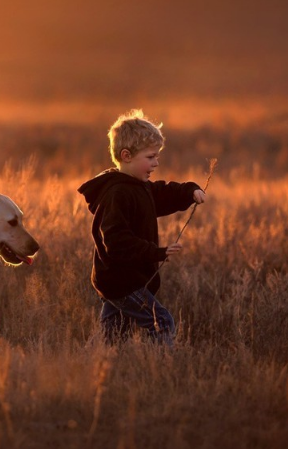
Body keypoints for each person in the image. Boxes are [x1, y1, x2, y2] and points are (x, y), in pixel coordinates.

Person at [78, 110, 206, 346]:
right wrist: (155, 252)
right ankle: (163, 370)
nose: (156, 163)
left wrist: (189, 191)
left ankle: (100, 366)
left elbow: (164, 194)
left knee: (113, 336)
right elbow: (116, 242)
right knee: (163, 322)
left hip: (122, 279)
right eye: (150, 157)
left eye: (157, 156)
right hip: (121, 280)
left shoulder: (140, 186)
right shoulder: (117, 194)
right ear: (126, 156)